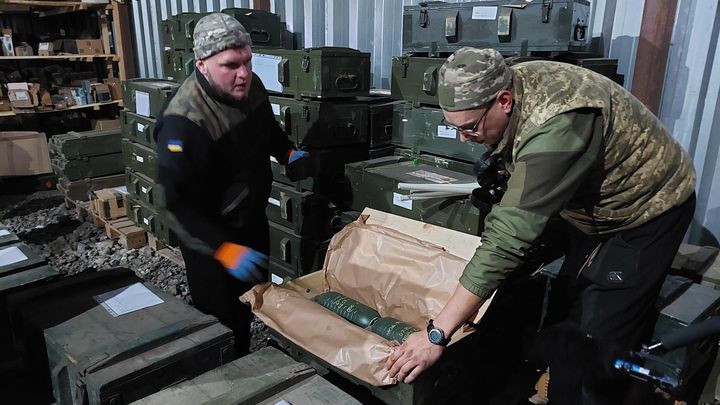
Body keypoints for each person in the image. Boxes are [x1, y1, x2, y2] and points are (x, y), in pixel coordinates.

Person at [386, 47, 696, 404]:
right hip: (586, 207)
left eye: (469, 128)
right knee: (564, 307)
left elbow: (508, 238)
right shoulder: (510, 84)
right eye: (454, 128)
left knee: (597, 339)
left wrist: (436, 334)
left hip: (645, 208)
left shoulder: (560, 121)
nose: (463, 139)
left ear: (504, 101)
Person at [155, 13, 311, 355]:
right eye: (230, 65)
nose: (243, 73)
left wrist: (287, 152)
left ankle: (256, 355)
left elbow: (267, 130)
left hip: (251, 221)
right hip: (212, 242)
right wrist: (222, 248)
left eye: (248, 61)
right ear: (202, 64)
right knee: (222, 323)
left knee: (255, 302)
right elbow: (172, 203)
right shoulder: (183, 122)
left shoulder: (250, 86)